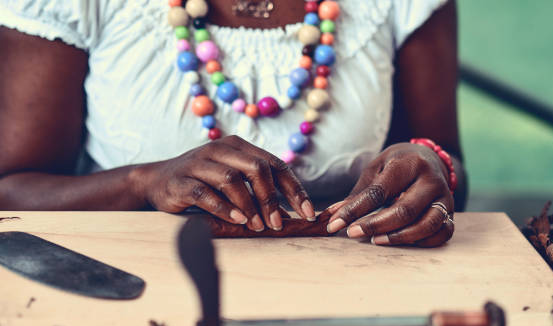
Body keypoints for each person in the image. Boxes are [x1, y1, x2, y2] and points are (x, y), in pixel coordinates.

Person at [0, 0, 465, 247]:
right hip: (134, 289)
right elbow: (11, 188)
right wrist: (143, 183)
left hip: (365, 299)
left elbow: (445, 165)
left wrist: (431, 165)